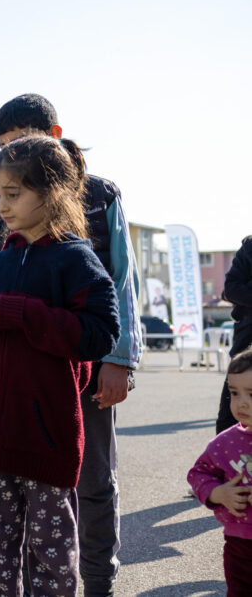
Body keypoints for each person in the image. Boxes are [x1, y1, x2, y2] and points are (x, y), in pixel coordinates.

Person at [0, 94, 141, 596]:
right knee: (29, 483)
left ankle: (97, 583)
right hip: (26, 370)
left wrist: (118, 360)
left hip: (90, 360)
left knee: (93, 478)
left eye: (20, 144)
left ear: (52, 136)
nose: (10, 156)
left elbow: (122, 280)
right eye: (3, 147)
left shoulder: (101, 194)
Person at [0, 135, 120, 596]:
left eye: (14, 194)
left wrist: (19, 312)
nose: (2, 206)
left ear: (51, 194)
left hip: (46, 443)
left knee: (51, 558)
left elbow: (99, 334)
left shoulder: (77, 260)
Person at [187, 348, 252, 596]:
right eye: (235, 393)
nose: (241, 402)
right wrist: (218, 493)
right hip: (240, 545)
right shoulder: (225, 443)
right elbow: (198, 474)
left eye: (251, 393)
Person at [219, 236, 252, 433]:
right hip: (247, 344)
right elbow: (231, 289)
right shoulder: (250, 247)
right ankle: (223, 464)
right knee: (228, 421)